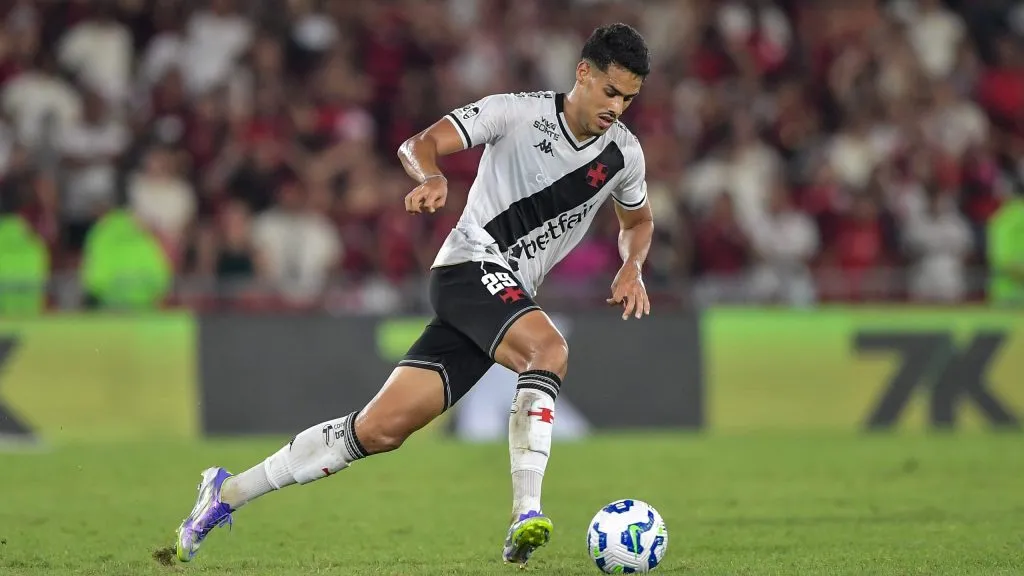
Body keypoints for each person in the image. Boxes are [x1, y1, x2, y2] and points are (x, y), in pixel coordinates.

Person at [174, 23, 654, 566]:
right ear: (583, 73)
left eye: (630, 99)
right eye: (611, 92)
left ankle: (226, 493)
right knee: (549, 351)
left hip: (503, 297)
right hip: (468, 265)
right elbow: (418, 143)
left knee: (377, 430)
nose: (618, 107)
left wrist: (632, 266)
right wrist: (431, 175)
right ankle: (525, 513)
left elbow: (637, 220)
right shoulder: (516, 113)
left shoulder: (624, 155)